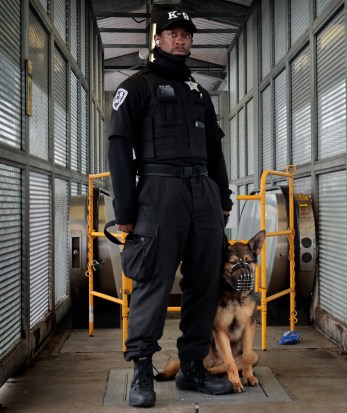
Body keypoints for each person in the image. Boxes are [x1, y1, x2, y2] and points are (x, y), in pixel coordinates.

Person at [107, 10, 234, 408]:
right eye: (172, 34)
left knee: (204, 282)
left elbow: (215, 150)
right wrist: (126, 211)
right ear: (158, 39)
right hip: (159, 193)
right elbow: (118, 149)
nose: (180, 40)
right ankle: (142, 369)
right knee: (153, 281)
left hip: (203, 194)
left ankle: (191, 367)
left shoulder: (199, 93)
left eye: (185, 35)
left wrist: (224, 200)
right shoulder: (136, 87)